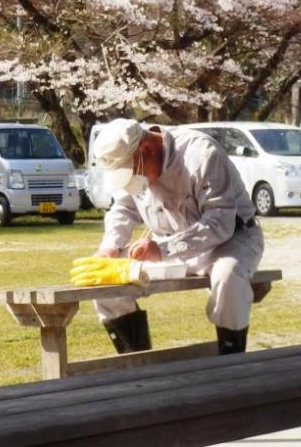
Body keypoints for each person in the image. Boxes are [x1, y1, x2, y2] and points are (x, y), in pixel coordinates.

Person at [70, 119, 264, 355]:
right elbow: (123, 208)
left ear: (148, 149)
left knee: (228, 276)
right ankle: (137, 362)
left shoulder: (201, 153)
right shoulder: (134, 159)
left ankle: (230, 362)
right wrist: (111, 246)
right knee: (107, 280)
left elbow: (220, 222)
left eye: (130, 173)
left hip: (230, 240)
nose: (130, 180)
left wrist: (163, 249)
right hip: (165, 245)